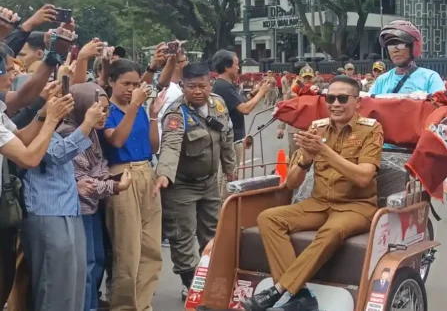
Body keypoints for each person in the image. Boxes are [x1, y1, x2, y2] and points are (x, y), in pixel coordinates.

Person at [243, 76, 383, 311]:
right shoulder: (316, 128)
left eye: (342, 98)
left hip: (356, 206)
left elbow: (363, 177)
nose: (335, 104)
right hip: (319, 203)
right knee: (268, 218)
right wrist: (305, 161)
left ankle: (279, 290)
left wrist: (323, 151)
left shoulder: (371, 129)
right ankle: (302, 296)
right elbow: (291, 183)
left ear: (357, 102)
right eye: (330, 98)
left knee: (333, 230)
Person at [155, 63, 237, 297]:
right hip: (181, 184)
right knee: (182, 236)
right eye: (192, 87)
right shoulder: (176, 113)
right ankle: (189, 283)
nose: (198, 91)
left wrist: (230, 168)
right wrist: (164, 173)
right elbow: (170, 145)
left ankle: (209, 276)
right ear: (183, 86)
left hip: (209, 181)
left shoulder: (218, 103)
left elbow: (227, 137)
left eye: (202, 86)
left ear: (210, 84)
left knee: (212, 233)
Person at [22, 92, 108, 311]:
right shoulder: (37, 127)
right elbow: (57, 155)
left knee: (73, 281)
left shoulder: (59, 129)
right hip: (47, 211)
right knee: (54, 283)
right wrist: (87, 124)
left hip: (68, 208)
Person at [56, 83, 132, 311]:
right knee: (86, 264)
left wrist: (107, 178)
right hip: (76, 209)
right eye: (97, 109)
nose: (104, 115)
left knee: (97, 258)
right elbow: (84, 181)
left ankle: (91, 304)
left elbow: (99, 166)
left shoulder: (91, 132)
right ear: (81, 108)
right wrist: (115, 186)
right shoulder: (70, 133)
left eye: (107, 109)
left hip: (91, 208)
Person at [100, 59, 164, 311]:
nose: (131, 89)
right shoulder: (107, 110)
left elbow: (154, 146)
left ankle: (143, 303)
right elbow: (116, 141)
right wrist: (135, 105)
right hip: (121, 174)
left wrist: (154, 116)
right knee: (127, 248)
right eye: (125, 83)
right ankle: (123, 306)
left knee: (151, 247)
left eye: (136, 84)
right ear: (111, 82)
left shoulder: (139, 109)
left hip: (146, 171)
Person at [212, 50, 271, 190]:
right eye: (236, 65)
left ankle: (224, 203)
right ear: (227, 67)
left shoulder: (226, 85)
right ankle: (223, 205)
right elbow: (245, 109)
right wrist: (262, 92)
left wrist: (254, 93)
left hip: (233, 138)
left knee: (231, 173)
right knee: (228, 175)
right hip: (230, 140)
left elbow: (239, 103)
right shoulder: (223, 86)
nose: (238, 68)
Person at [369, 20, 445, 95]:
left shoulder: (430, 78)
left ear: (414, 47)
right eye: (390, 46)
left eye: (400, 44)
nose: (395, 50)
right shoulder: (381, 81)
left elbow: (440, 104)